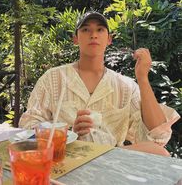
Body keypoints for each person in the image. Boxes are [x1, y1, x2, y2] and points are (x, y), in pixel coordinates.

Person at [19, 11, 180, 156]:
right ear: (75, 39)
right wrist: (68, 134)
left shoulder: (125, 86)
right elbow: (28, 125)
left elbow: (158, 137)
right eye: (86, 30)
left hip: (111, 159)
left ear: (109, 39)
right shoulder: (54, 78)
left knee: (159, 152)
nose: (93, 35)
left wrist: (143, 78)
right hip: (66, 157)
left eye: (100, 30)